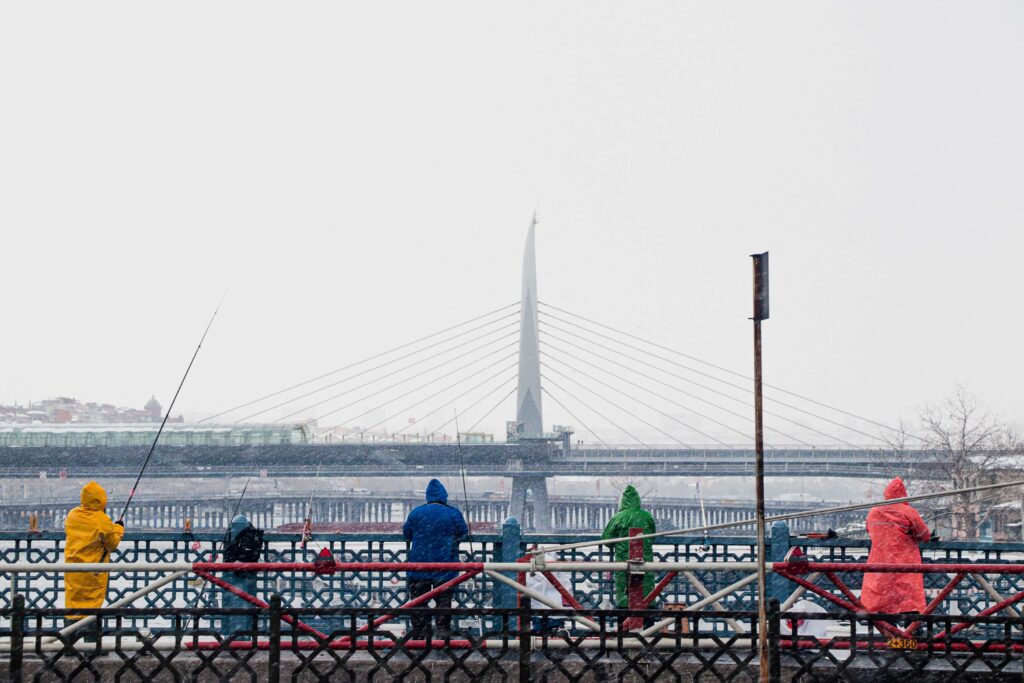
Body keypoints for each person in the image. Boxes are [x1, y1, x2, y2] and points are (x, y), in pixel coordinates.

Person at [402, 479, 468, 638]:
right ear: (444, 496)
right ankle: (442, 633)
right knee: (444, 602)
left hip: (419, 566)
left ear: (427, 496)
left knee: (418, 601)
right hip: (445, 566)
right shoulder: (453, 513)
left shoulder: (416, 513)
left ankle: (420, 633)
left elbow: (407, 533)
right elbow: (463, 532)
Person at [64, 481, 125, 638]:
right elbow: (112, 544)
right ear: (101, 500)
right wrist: (118, 528)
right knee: (91, 608)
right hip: (93, 572)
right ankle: (91, 645)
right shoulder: (101, 519)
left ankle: (69, 644)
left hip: (73, 570)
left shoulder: (73, 515)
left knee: (73, 606)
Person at [861, 477, 930, 614]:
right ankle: (909, 633)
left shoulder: (874, 511)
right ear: (903, 494)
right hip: (905, 564)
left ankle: (888, 632)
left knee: (882, 604)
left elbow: (869, 530)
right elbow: (924, 535)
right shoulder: (907, 511)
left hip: (879, 563)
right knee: (909, 605)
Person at [601, 485, 656, 609]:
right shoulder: (647, 516)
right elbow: (652, 537)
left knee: (624, 590)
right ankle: (647, 616)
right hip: (644, 560)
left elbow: (607, 540)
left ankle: (626, 618)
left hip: (624, 562)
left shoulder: (618, 517)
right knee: (645, 589)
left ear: (622, 502)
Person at [220, 515, 264, 638]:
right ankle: (244, 635)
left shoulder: (242, 537)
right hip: (247, 576)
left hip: (236, 576)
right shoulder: (252, 536)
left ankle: (235, 636)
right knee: (246, 606)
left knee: (238, 606)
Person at [525, 550, 571, 634]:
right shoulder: (562, 576)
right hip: (556, 613)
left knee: (539, 634)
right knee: (555, 633)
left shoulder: (532, 574)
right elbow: (568, 596)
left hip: (539, 614)